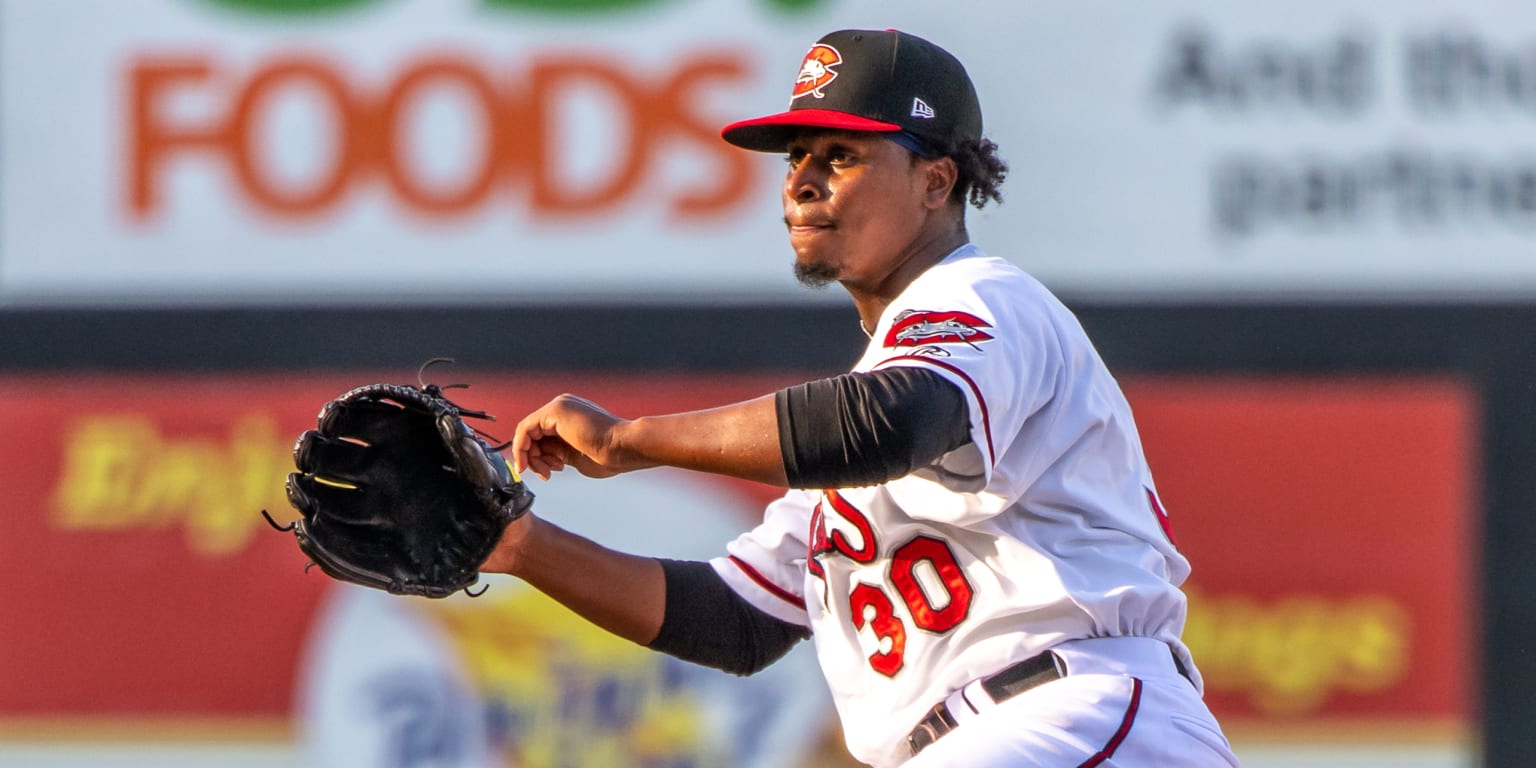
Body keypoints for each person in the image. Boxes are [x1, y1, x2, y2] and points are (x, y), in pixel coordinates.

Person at [481, 28, 1240, 767]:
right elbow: (737, 620)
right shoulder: (867, 408)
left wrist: (629, 441)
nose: (802, 179)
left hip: (1072, 712)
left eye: (841, 156)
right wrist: (522, 549)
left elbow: (889, 418)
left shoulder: (982, 298)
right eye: (797, 157)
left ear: (935, 180)